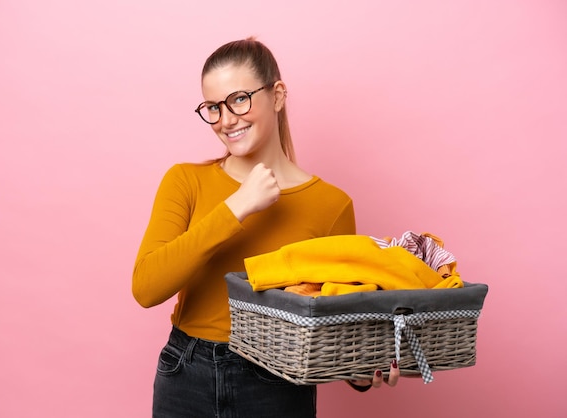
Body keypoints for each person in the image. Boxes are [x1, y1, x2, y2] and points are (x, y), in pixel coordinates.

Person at [132, 37, 399, 418]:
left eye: (239, 99)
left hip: (277, 382)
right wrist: (236, 207)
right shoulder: (185, 181)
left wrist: (359, 371)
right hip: (186, 373)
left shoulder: (331, 205)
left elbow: (336, 321)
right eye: (213, 107)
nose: (226, 120)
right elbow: (146, 287)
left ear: (276, 95)